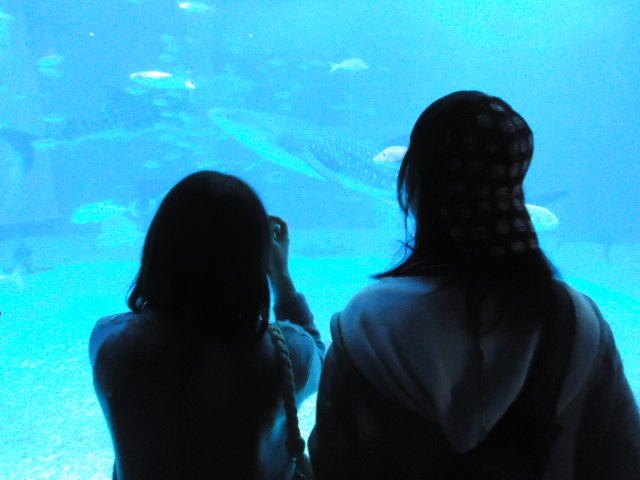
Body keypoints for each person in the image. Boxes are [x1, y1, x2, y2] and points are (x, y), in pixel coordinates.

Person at [309, 91, 640, 479]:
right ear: (515, 185)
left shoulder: (368, 321)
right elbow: (622, 456)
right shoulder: (574, 317)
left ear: (412, 184)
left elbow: (332, 461)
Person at [89, 171, 324, 479]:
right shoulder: (286, 354)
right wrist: (281, 278)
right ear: (256, 259)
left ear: (158, 247)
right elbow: (320, 359)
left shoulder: (109, 342)